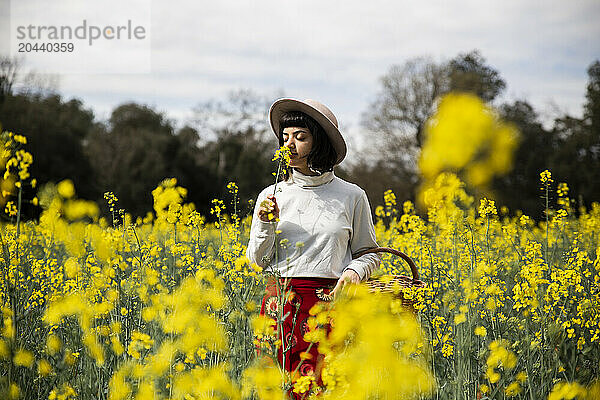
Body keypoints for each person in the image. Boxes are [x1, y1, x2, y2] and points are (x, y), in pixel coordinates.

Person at [246, 98, 380, 394]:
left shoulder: (351, 196)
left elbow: (370, 254)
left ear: (319, 143)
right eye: (285, 138)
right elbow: (257, 259)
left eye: (300, 137)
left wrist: (355, 272)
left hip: (328, 307)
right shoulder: (272, 194)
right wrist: (267, 223)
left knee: (324, 390)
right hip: (278, 309)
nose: (289, 145)